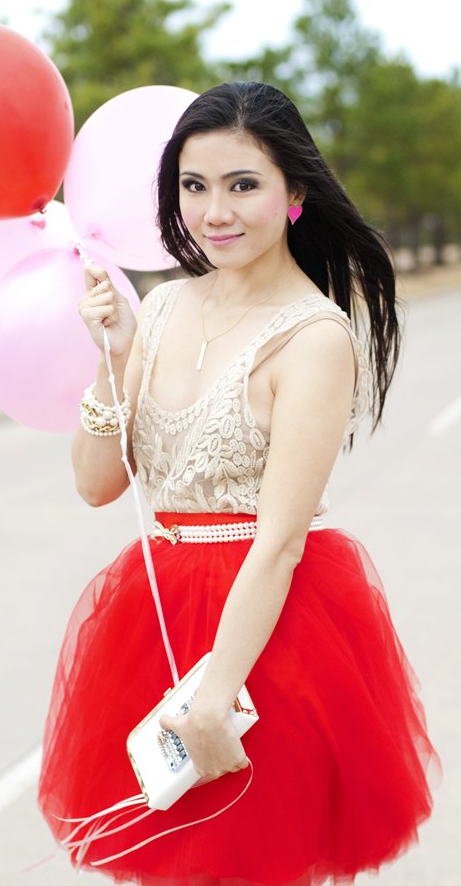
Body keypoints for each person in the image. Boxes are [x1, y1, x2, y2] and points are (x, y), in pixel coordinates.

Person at [37, 82, 442, 886]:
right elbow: (95, 485)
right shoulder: (158, 309)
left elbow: (282, 538)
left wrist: (215, 693)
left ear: (294, 193)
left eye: (242, 185)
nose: (214, 211)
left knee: (249, 860)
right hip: (152, 617)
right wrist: (115, 355)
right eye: (195, 186)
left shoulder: (314, 337)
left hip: (263, 637)